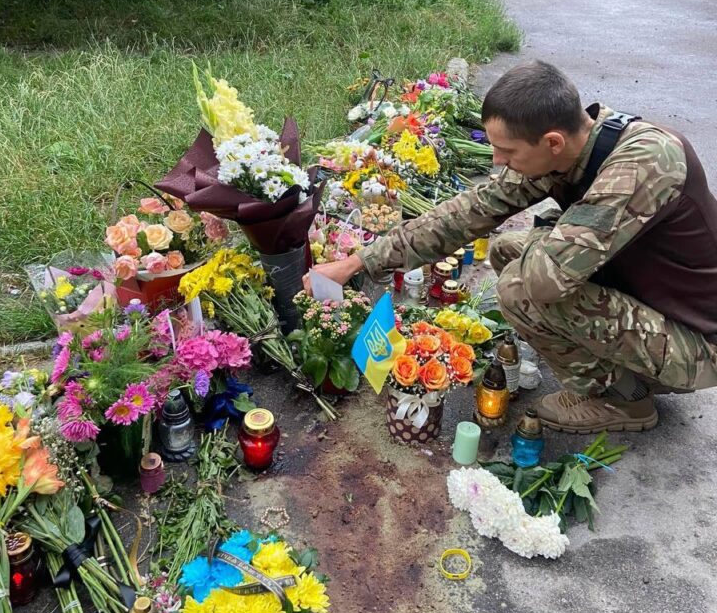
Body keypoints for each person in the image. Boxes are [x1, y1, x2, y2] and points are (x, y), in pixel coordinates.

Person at [305, 61, 717, 433]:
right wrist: (358, 262)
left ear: (552, 142)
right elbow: (468, 212)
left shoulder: (642, 164)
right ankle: (623, 365)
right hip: (647, 297)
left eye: (507, 151)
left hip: (696, 342)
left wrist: (547, 229)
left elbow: (546, 281)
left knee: (521, 288)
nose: (497, 161)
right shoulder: (579, 143)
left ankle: (625, 400)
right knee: (506, 250)